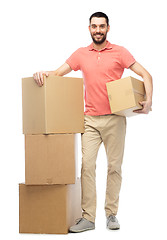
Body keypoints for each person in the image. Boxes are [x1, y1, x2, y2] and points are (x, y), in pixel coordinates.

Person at [33, 12, 153, 233]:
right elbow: (58, 73)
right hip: (89, 120)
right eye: (94, 26)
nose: (98, 30)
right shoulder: (81, 54)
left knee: (114, 167)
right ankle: (88, 217)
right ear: (89, 28)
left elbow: (146, 74)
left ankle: (111, 214)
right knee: (87, 166)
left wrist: (148, 100)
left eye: (102, 26)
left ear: (108, 28)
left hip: (115, 119)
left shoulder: (120, 52)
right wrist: (42, 73)